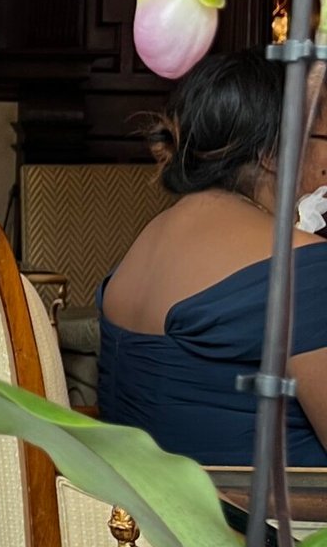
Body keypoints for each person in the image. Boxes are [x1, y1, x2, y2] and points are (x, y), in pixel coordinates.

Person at [98, 48, 327, 466]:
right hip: (260, 526)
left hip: (136, 520)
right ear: (272, 153)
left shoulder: (149, 240)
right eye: (322, 138)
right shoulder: (301, 269)